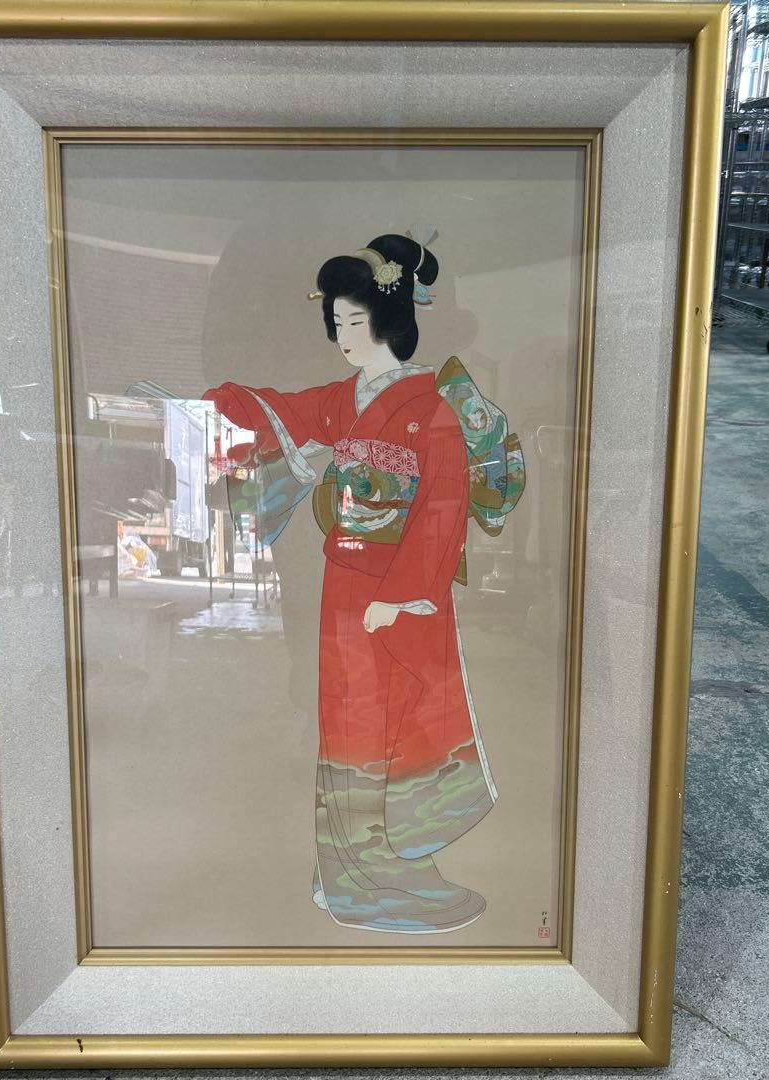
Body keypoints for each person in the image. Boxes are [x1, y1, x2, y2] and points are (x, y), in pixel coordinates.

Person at [204, 233, 497, 933]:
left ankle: (388, 867)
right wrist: (225, 401)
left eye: (355, 323)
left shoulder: (431, 410)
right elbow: (289, 411)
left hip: (401, 595)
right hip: (346, 586)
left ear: (391, 320)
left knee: (401, 718)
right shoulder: (345, 399)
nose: (343, 339)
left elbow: (443, 505)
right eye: (336, 324)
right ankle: (350, 871)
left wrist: (399, 595)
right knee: (347, 716)